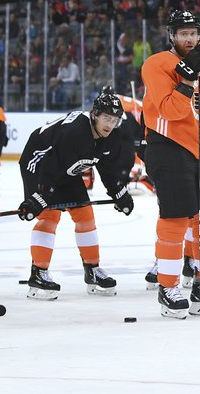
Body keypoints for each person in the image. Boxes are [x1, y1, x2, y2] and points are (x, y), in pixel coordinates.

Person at [140, 10, 200, 323]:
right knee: (176, 218)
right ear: (172, 36)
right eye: (183, 33)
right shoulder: (156, 64)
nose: (189, 39)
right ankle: (168, 287)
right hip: (166, 149)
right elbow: (169, 111)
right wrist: (186, 78)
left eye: (193, 33)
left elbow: (196, 114)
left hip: (197, 151)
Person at [17, 91, 135, 299]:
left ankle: (92, 271)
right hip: (39, 162)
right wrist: (40, 196)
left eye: (114, 120)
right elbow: (52, 164)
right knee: (49, 215)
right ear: (95, 115)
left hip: (64, 166)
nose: (110, 124)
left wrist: (119, 191)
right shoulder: (75, 132)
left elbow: (106, 167)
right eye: (106, 118)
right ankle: (38, 273)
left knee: (85, 214)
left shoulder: (109, 135)